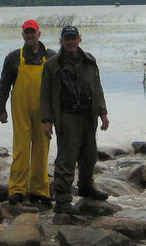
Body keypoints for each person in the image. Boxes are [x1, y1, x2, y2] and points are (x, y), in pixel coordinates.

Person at [40, 25, 109, 215]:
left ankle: (86, 187)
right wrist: (46, 120)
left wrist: (103, 112)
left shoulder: (89, 61)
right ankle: (62, 200)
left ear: (80, 39)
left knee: (90, 155)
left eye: (74, 37)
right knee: (66, 159)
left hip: (89, 115)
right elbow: (45, 95)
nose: (71, 41)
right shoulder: (52, 64)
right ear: (61, 41)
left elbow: (98, 88)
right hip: (67, 116)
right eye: (67, 38)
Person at [0, 19, 55, 206]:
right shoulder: (14, 57)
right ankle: (17, 190)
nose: (29, 35)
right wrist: (1, 108)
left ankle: (39, 190)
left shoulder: (51, 56)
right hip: (20, 108)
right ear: (23, 35)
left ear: (39, 34)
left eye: (33, 32)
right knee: (21, 149)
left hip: (44, 110)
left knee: (41, 148)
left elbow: (58, 87)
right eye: (26, 33)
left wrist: (56, 113)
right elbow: (4, 84)